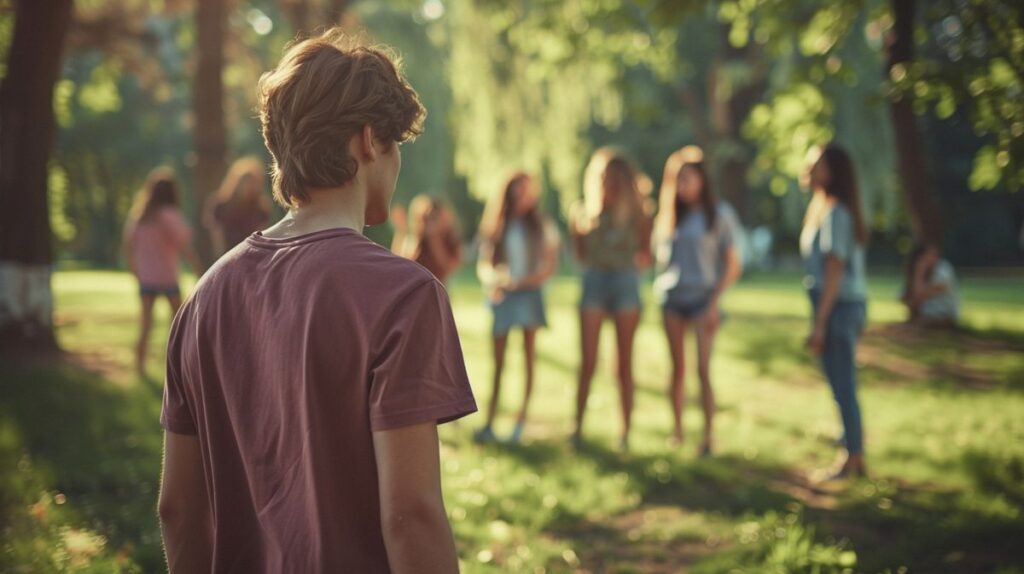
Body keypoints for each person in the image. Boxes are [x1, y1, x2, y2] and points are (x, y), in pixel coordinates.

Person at [157, 30, 476, 573]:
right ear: (370, 140)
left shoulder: (204, 298)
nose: (396, 164)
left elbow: (177, 510)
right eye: (396, 143)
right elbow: (410, 517)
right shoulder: (404, 295)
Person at [653, 145, 742, 457]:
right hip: (673, 299)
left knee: (703, 370)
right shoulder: (669, 218)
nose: (682, 185)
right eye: (677, 180)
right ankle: (677, 432)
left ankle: (707, 437)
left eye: (687, 178)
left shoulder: (719, 216)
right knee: (677, 368)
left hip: (704, 300)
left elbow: (733, 266)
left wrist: (714, 302)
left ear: (702, 180)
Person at [570, 148, 652, 451]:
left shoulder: (640, 214)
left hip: (625, 283)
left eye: (613, 177)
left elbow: (646, 253)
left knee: (624, 364)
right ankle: (577, 429)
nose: (607, 183)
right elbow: (579, 254)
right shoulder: (582, 213)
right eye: (603, 176)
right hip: (594, 282)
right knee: (588, 361)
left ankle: (625, 433)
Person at [800, 143, 869, 479]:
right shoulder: (824, 209)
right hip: (834, 306)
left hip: (838, 307)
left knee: (844, 385)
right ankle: (851, 448)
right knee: (840, 383)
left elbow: (834, 270)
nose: (809, 169)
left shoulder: (836, 213)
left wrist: (820, 323)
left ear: (833, 172)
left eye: (816, 164)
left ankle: (853, 458)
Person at [475, 172, 559, 444]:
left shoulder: (541, 226)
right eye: (517, 190)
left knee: (528, 359)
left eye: (526, 191)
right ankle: (489, 422)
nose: (522, 196)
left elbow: (549, 266)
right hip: (504, 295)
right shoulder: (498, 225)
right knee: (498, 362)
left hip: (529, 294)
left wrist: (523, 282)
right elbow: (484, 264)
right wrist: (496, 279)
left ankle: (520, 423)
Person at [122, 167, 202, 378]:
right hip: (167, 277)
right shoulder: (169, 215)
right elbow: (185, 246)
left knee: (146, 323)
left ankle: (139, 366)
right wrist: (199, 271)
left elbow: (128, 245)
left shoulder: (140, 216)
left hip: (147, 277)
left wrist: (135, 271)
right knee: (178, 324)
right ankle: (178, 366)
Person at [205, 156, 273, 256]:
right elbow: (217, 237)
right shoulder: (221, 205)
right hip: (228, 254)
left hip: (251, 255)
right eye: (247, 181)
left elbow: (261, 235)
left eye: (254, 182)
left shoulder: (260, 208)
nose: (250, 186)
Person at [391, 195, 463, 283]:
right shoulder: (417, 239)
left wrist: (435, 241)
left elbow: (450, 268)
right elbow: (402, 263)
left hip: (438, 285)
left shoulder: (450, 238)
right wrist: (401, 231)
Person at [902, 243, 959, 326]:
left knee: (911, 326)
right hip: (926, 316)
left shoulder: (943, 270)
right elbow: (904, 298)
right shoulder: (926, 272)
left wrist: (919, 272)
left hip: (944, 315)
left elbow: (919, 298)